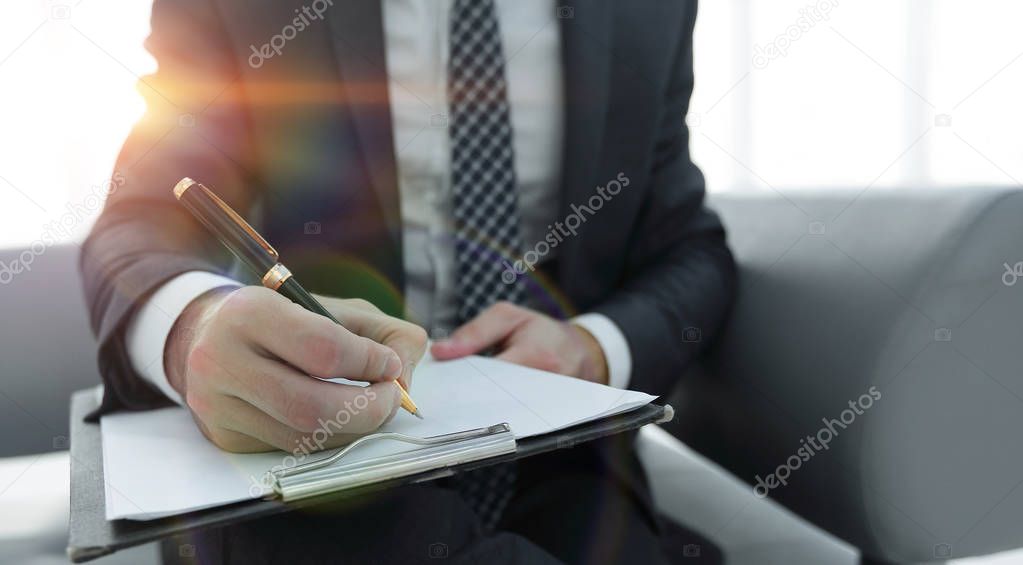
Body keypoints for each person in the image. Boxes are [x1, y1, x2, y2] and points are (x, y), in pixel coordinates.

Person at [81, 0, 736, 563]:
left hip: (568, 461)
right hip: (316, 459)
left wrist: (592, 348)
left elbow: (690, 248)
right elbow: (140, 222)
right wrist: (196, 326)